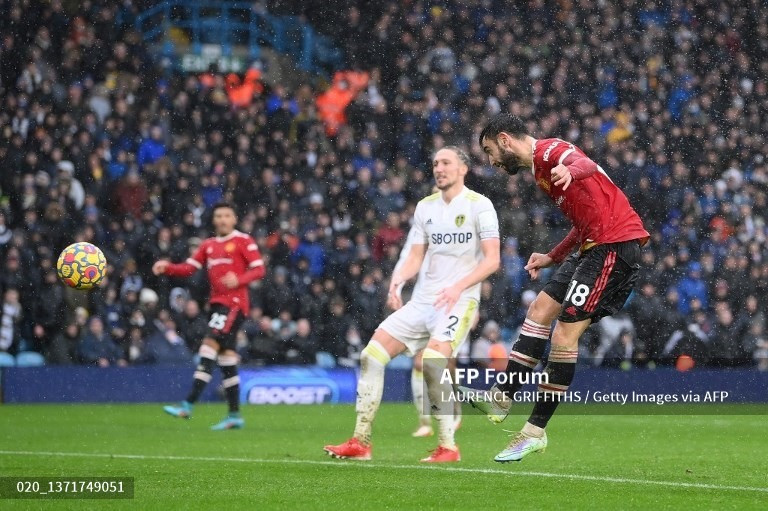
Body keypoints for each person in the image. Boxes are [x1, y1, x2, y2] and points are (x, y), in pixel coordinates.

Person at [461, 113, 649, 462]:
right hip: (590, 245)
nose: (491, 162)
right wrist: (552, 256)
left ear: (505, 140)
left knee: (564, 335)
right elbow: (582, 223)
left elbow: (585, 163)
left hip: (614, 246)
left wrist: (571, 171)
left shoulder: (550, 152)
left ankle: (534, 432)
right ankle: (501, 396)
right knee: (540, 309)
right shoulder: (540, 172)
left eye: (489, 151)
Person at [324, 146, 500, 463]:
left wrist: (458, 286)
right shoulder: (425, 207)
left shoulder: (480, 206)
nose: (439, 168)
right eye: (435, 163)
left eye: (446, 162)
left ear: (464, 168)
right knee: (371, 356)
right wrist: (398, 281)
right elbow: (416, 255)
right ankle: (360, 442)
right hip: (422, 301)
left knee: (433, 362)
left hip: (458, 302)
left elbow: (493, 261)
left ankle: (448, 447)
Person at [154, 203, 266, 430]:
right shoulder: (209, 245)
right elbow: (188, 268)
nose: (223, 219)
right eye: (218, 216)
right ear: (214, 220)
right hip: (216, 306)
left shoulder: (243, 240)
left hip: (234, 305)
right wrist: (168, 267)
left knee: (208, 345)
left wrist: (240, 280)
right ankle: (234, 414)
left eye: (227, 215)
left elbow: (259, 269)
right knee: (226, 358)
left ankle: (188, 404)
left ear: (234, 219)